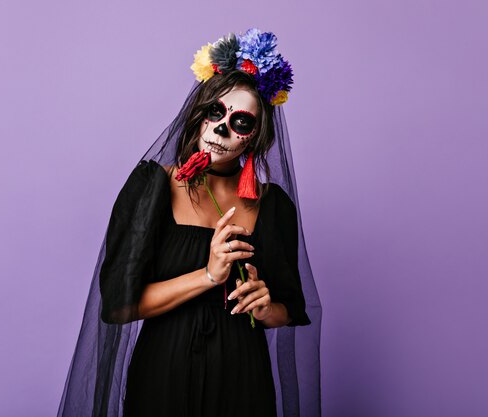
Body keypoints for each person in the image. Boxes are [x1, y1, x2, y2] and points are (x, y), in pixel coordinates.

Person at [57, 29, 322, 417]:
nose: (220, 129)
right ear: (198, 115)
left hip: (243, 379)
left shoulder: (273, 205)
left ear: (254, 139)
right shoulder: (153, 187)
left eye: (241, 122)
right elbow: (117, 306)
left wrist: (267, 309)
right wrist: (210, 276)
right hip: (164, 372)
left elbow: (291, 309)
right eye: (215, 112)